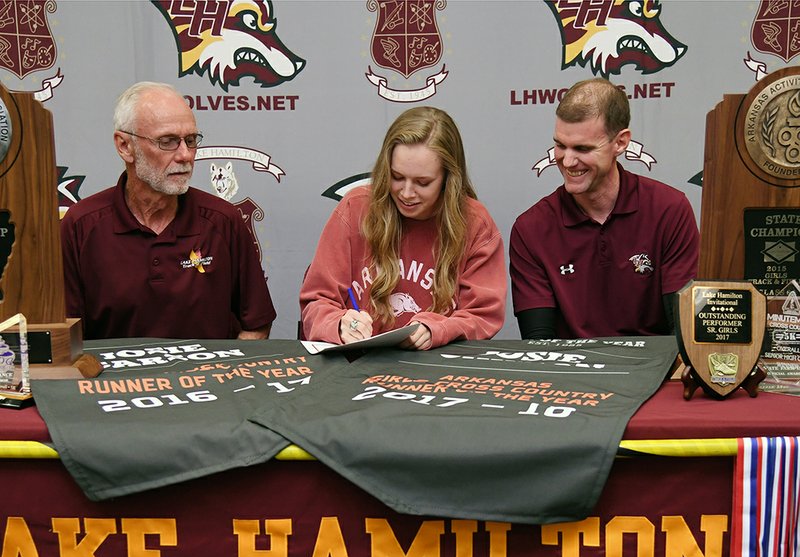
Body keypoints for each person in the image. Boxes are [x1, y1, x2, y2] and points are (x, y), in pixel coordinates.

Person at [61, 81, 276, 340]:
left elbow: (256, 325)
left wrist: (225, 378)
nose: (186, 155)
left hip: (208, 379)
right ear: (124, 146)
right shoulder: (80, 226)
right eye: (168, 142)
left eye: (191, 140)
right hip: (115, 381)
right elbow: (65, 337)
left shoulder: (223, 220)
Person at [300, 106, 506, 350]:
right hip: (358, 369)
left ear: (449, 179)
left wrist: (438, 329)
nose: (407, 194)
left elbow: (483, 315)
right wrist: (339, 323)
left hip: (438, 374)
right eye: (397, 177)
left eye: (423, 182)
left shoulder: (474, 223)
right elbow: (316, 302)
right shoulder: (355, 209)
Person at [509, 78, 699, 339]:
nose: (568, 160)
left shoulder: (669, 210)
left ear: (620, 143)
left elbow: (683, 331)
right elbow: (539, 343)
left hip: (653, 370)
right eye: (560, 145)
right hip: (570, 373)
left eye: (583, 148)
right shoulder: (531, 228)